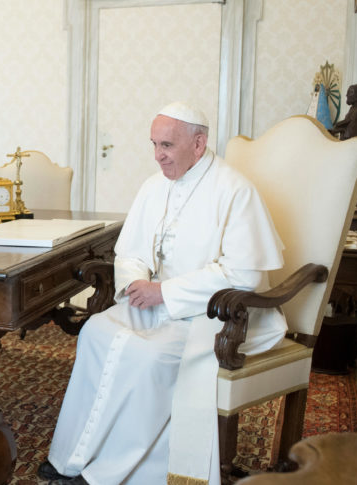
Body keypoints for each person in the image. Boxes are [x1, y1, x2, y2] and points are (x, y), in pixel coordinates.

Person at [39, 102, 287, 485]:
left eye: (167, 145)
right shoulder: (154, 187)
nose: (158, 156)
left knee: (145, 355)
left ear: (199, 143)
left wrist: (165, 292)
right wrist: (137, 282)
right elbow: (131, 251)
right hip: (156, 300)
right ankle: (73, 456)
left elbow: (243, 274)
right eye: (154, 144)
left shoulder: (235, 190)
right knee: (95, 333)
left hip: (212, 315)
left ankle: (111, 473)